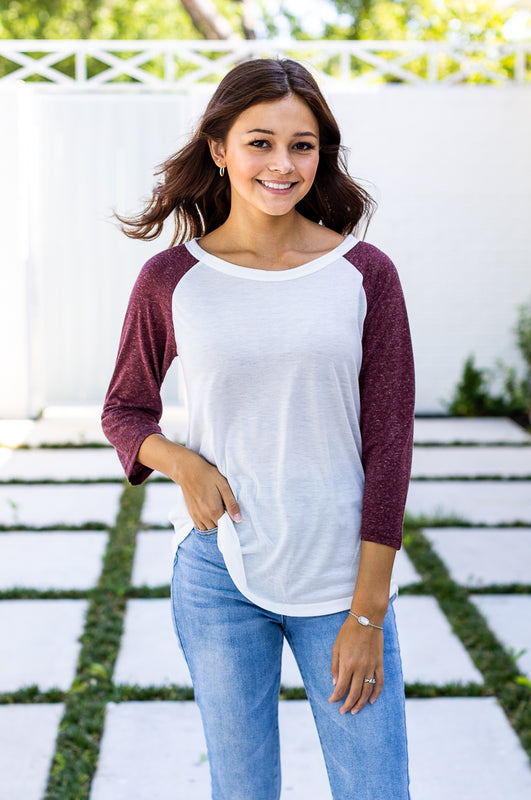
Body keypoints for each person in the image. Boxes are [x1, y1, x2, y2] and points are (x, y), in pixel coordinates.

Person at [102, 57, 414, 800]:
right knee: (241, 790)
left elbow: (390, 444)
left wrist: (366, 613)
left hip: (340, 578)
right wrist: (180, 462)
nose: (282, 164)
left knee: (375, 788)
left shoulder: (364, 273)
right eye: (260, 142)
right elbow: (125, 408)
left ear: (321, 153)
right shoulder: (171, 280)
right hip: (219, 574)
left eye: (302, 145)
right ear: (219, 147)